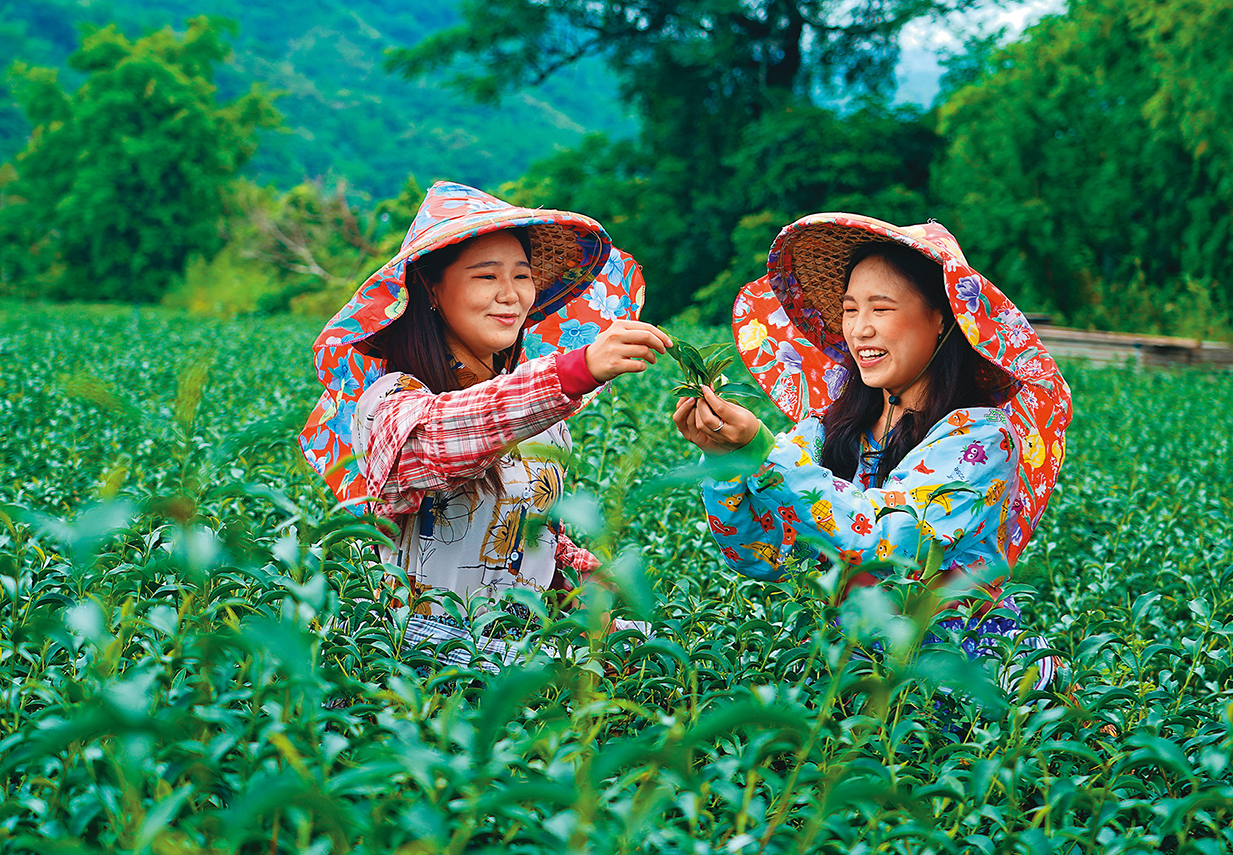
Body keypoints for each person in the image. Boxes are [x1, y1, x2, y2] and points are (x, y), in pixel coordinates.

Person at [672, 214, 1071, 685]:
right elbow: (761, 555)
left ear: (942, 319)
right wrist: (727, 461)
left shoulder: (980, 437)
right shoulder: (829, 429)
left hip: (958, 674)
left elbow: (885, 542)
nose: (859, 330)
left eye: (880, 309)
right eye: (849, 309)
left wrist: (762, 449)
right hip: (852, 667)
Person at [298, 181, 670, 664]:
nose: (510, 295)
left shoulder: (542, 415)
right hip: (424, 665)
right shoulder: (390, 402)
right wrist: (574, 370)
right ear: (432, 289)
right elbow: (445, 435)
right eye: (485, 276)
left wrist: (594, 599)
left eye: (522, 275)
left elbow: (528, 537)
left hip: (523, 662)